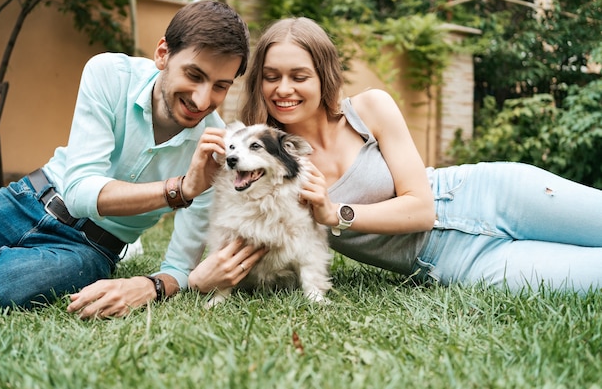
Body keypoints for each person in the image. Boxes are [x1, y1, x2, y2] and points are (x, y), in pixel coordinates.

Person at [238, 17, 602, 294]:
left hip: (493, 194)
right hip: (457, 261)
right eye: (271, 77)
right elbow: (250, 246)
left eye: (298, 76)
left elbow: (421, 208)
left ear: (323, 76)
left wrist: (335, 214)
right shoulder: (264, 166)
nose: (283, 89)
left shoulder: (370, 109)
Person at [0, 0, 267, 318]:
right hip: (25, 200)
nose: (201, 99)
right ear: (163, 54)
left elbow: (181, 266)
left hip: (87, 250)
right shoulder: (109, 73)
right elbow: (80, 192)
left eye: (220, 86)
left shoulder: (219, 152)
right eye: (194, 75)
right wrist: (181, 190)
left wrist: (150, 286)